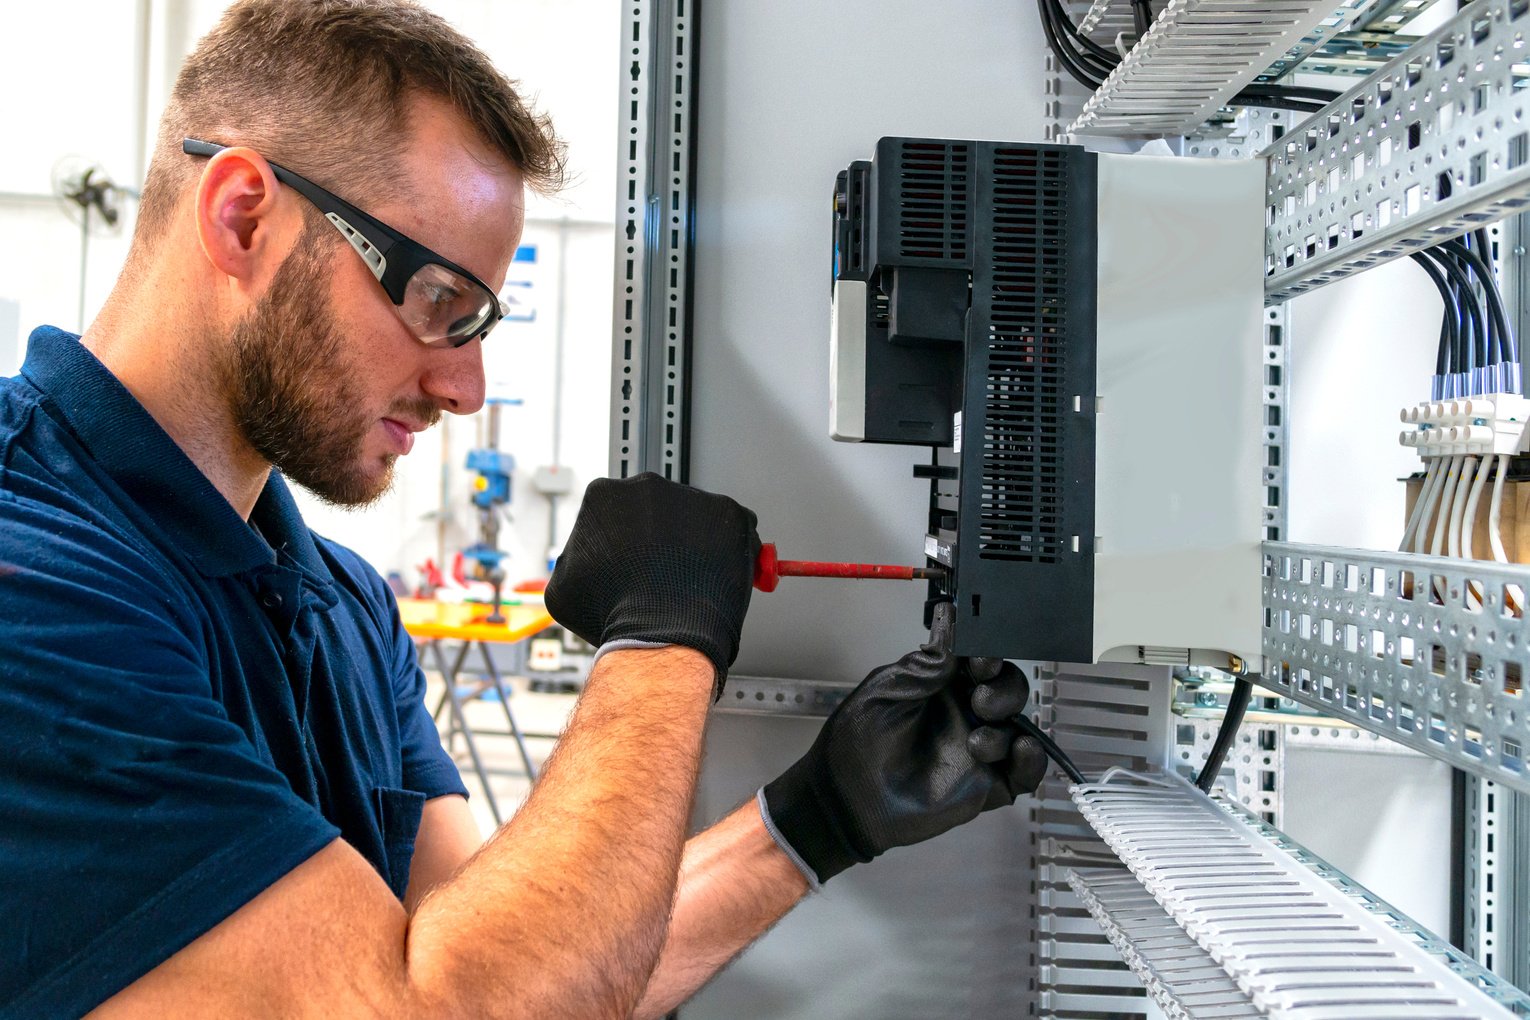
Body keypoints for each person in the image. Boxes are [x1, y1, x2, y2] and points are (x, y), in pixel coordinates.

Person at [0, 2, 1048, 1016]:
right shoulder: (30, 582)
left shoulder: (342, 608)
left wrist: (815, 818)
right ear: (243, 216)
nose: (464, 388)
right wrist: (660, 639)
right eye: (438, 305)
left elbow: (525, 970)